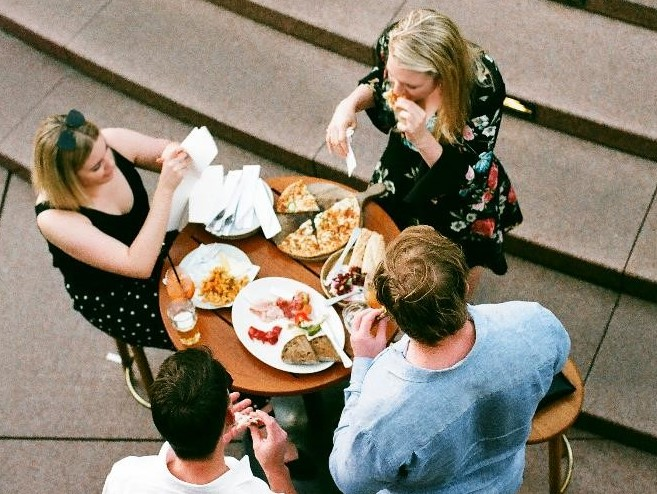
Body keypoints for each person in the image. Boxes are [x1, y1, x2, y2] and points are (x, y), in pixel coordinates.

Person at [329, 225, 571, 493]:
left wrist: (364, 364)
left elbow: (348, 480)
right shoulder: (532, 321)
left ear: (394, 317)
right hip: (504, 480)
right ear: (465, 286)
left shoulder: (380, 412)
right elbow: (558, 361)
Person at [326, 9, 523, 293]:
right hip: (403, 167)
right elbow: (379, 83)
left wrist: (421, 137)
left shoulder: (482, 87)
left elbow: (466, 173)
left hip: (458, 191)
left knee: (453, 274)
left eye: (411, 86)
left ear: (443, 80)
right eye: (395, 79)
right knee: (387, 250)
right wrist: (349, 104)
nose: (396, 93)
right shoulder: (395, 41)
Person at [33, 109, 191, 349]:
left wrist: (173, 153)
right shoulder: (54, 217)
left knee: (224, 271)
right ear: (68, 179)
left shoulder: (107, 142)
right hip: (116, 295)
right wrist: (165, 190)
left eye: (105, 149)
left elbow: (164, 148)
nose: (110, 163)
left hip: (153, 243)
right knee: (200, 325)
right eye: (96, 166)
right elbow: (137, 266)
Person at [102, 346, 297, 493]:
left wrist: (211, 433)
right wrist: (276, 468)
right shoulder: (254, 491)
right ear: (230, 416)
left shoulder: (125, 475)